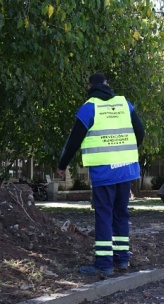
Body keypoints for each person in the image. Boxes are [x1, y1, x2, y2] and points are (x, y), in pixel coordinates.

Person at [57, 73, 145, 277]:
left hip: (104, 172)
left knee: (104, 215)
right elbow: (140, 132)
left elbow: (74, 140)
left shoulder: (89, 107)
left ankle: (104, 264)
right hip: (126, 170)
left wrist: (62, 165)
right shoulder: (125, 104)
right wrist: (127, 151)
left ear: (90, 86)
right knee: (121, 214)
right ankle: (122, 260)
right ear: (107, 85)